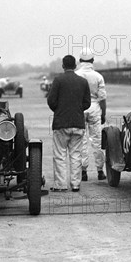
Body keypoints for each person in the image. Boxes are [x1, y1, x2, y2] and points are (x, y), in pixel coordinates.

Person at [47, 55, 91, 192]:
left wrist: (59, 110)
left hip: (61, 123)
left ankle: (61, 185)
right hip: (78, 123)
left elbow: (51, 101)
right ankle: (76, 184)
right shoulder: (83, 82)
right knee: (76, 155)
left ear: (63, 65)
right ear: (75, 65)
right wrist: (77, 110)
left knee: (60, 155)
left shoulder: (58, 80)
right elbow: (87, 103)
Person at [75, 47, 107, 181]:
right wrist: (103, 113)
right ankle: (100, 171)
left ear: (80, 60)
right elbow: (102, 98)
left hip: (80, 108)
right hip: (94, 107)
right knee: (97, 141)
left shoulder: (76, 75)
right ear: (93, 60)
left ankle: (83, 171)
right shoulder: (98, 76)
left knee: (81, 141)